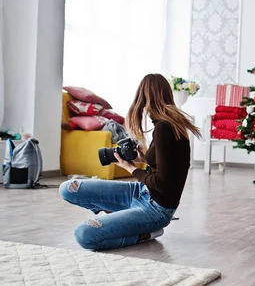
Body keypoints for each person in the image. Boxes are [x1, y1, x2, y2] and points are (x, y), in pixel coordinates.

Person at [59, 74, 201, 250]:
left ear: (144, 96)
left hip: (156, 209)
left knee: (84, 235)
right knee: (68, 188)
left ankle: (146, 233)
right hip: (140, 191)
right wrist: (142, 159)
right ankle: (119, 215)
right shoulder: (165, 124)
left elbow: (161, 183)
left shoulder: (165, 128)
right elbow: (164, 164)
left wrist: (130, 168)